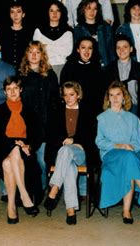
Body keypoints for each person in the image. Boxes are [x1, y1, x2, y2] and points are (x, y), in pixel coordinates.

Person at [96, 81, 140, 224]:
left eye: (118, 94)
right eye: (111, 95)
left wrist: (130, 147)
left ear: (124, 97)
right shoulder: (102, 118)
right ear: (108, 98)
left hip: (131, 153)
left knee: (128, 158)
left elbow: (139, 142)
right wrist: (118, 145)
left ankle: (126, 211)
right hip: (111, 154)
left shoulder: (133, 119)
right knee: (128, 158)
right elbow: (99, 141)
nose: (115, 98)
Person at [0, 76, 41, 223]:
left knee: (8, 163)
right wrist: (14, 144)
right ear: (5, 92)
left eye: (15, 88)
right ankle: (24, 194)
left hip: (25, 152)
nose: (12, 92)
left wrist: (28, 146)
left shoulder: (30, 110)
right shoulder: (0, 110)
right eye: (9, 89)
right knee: (13, 151)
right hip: (3, 149)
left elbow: (38, 134)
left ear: (21, 89)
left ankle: (11, 207)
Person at [44, 82, 94, 225]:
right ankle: (70, 210)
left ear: (78, 95)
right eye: (65, 95)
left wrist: (75, 141)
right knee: (70, 168)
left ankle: (54, 189)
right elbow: (52, 136)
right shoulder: (56, 111)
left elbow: (91, 136)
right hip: (63, 155)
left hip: (81, 153)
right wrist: (68, 142)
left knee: (67, 151)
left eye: (71, 94)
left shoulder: (87, 111)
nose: (68, 98)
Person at [19, 41, 60, 193]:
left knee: (42, 161)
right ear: (26, 55)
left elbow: (55, 102)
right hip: (26, 125)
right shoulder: (21, 76)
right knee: (27, 159)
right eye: (31, 52)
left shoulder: (50, 75)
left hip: (44, 126)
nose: (34, 55)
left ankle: (41, 189)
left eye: (37, 52)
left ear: (42, 55)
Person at [59, 36, 103, 168]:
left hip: (90, 115)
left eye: (90, 48)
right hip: (72, 111)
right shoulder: (69, 67)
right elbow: (64, 92)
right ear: (77, 49)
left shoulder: (97, 68)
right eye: (83, 47)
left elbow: (100, 96)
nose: (86, 51)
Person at [103, 35, 140, 115]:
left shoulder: (139, 68)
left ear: (131, 49)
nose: (121, 50)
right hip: (114, 109)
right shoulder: (109, 69)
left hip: (135, 109)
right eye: (118, 48)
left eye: (125, 47)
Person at [33, 0, 73, 78]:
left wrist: (46, 46)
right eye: (51, 10)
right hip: (43, 66)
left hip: (62, 67)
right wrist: (58, 48)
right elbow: (38, 50)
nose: (54, 13)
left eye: (57, 10)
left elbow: (67, 51)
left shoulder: (68, 31)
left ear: (62, 13)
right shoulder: (39, 30)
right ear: (47, 12)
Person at [73, 0, 114, 67]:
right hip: (86, 68)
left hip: (105, 66)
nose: (92, 11)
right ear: (83, 10)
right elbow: (76, 53)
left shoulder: (106, 27)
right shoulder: (78, 30)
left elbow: (112, 50)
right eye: (88, 8)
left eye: (94, 9)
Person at [0, 2, 33, 70]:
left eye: (18, 12)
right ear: (9, 15)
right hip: (6, 70)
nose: (15, 15)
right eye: (12, 12)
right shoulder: (3, 32)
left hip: (24, 70)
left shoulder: (29, 33)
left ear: (23, 14)